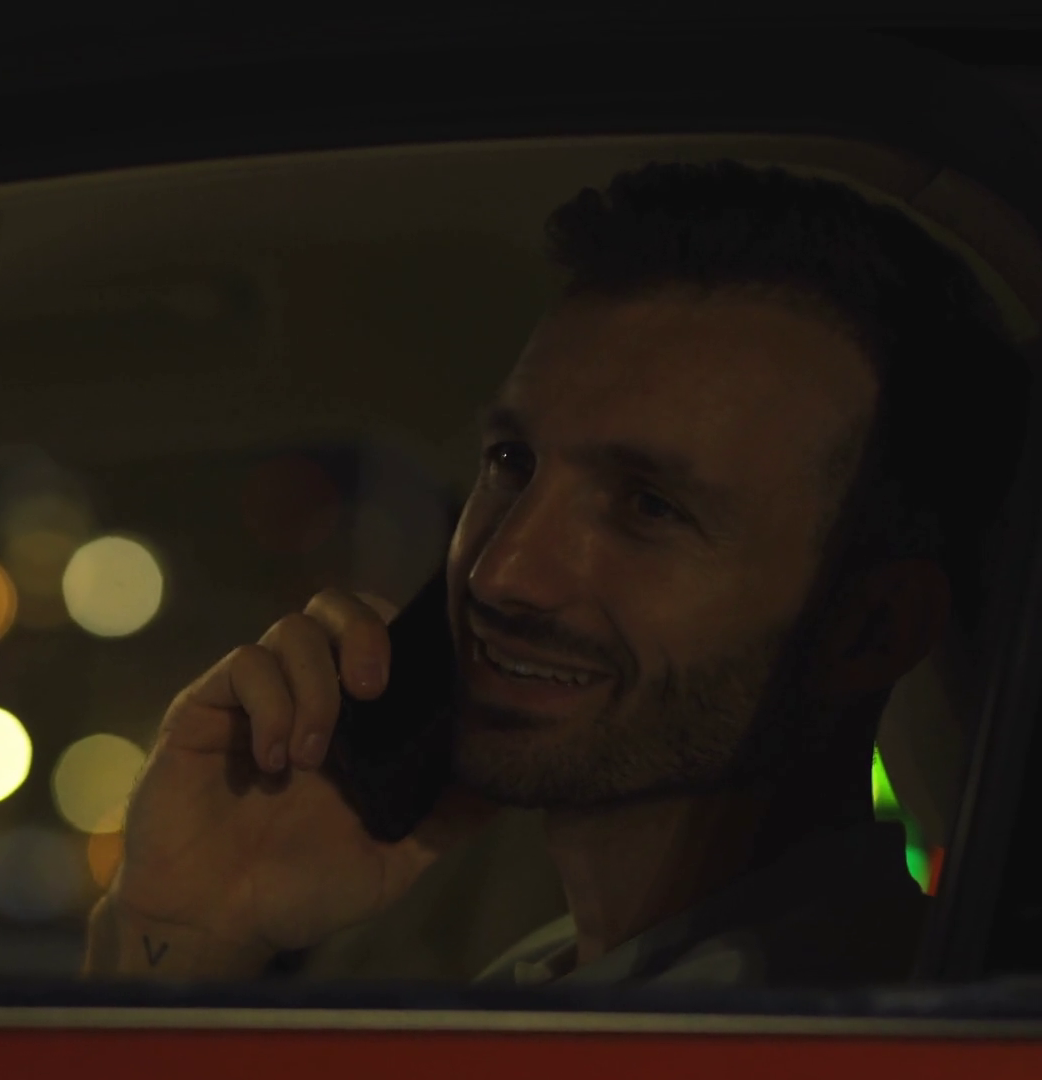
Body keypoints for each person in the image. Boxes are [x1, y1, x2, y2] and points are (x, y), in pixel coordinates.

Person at [83, 161, 1031, 987]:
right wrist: (189, 930)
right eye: (511, 463)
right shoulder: (572, 975)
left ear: (870, 627)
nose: (503, 571)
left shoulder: (823, 1022)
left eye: (650, 506)